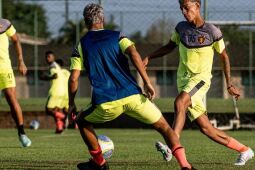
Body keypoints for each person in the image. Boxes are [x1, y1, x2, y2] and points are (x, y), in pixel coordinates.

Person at [68, 4, 194, 170]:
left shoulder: (81, 45)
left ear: (85, 22)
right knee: (165, 127)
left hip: (106, 102)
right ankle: (185, 166)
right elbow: (134, 53)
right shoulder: (117, 36)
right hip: (133, 96)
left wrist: (71, 103)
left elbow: (74, 79)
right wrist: (147, 82)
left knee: (81, 121)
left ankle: (99, 163)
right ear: (103, 19)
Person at [143, 0, 254, 166]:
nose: (184, 11)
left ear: (197, 5)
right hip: (183, 80)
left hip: (200, 80)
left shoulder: (212, 31)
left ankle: (171, 146)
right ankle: (245, 150)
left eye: (187, 7)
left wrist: (229, 83)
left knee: (180, 102)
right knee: (206, 128)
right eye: (181, 8)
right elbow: (169, 46)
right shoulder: (180, 28)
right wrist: (149, 57)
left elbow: (224, 57)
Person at [0, 18, 31, 147]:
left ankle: (22, 133)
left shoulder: (5, 24)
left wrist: (21, 61)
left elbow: (16, 40)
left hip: (4, 69)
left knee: (12, 99)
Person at [41, 51, 67, 133]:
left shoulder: (52, 66)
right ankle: (59, 127)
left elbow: (54, 76)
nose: (47, 58)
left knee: (48, 110)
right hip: (62, 91)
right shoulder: (58, 67)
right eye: (46, 57)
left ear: (53, 57)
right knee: (56, 110)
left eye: (49, 56)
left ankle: (64, 117)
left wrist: (45, 77)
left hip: (55, 91)